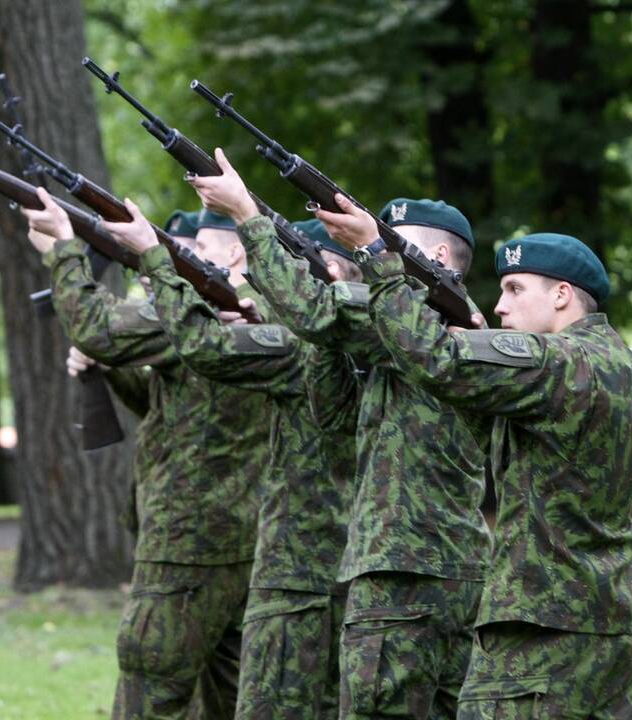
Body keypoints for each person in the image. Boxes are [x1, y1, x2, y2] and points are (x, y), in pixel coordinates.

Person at [187, 150, 493, 720]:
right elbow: (335, 424)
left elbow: (315, 313)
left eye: (391, 246)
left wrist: (247, 216)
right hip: (453, 565)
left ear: (440, 256)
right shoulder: (424, 331)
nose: (373, 255)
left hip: (402, 572)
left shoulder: (417, 321)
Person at [339, 214, 632, 717]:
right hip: (606, 622)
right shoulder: (617, 362)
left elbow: (436, 359)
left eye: (514, 288)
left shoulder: (555, 361)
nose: (500, 305)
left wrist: (377, 257)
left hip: (538, 633)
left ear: (562, 295)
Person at [104, 202, 360, 719]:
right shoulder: (372, 334)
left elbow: (200, 348)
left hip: (290, 563)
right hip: (321, 553)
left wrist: (149, 258)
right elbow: (168, 400)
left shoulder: (303, 343)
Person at [20, 188, 269, 720]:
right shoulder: (265, 317)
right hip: (244, 535)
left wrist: (62, 249)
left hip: (184, 541)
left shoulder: (204, 310)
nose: (186, 254)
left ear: (233, 254)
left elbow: (98, 329)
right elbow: (175, 403)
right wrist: (110, 368)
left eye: (200, 244)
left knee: (149, 690)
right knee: (235, 696)